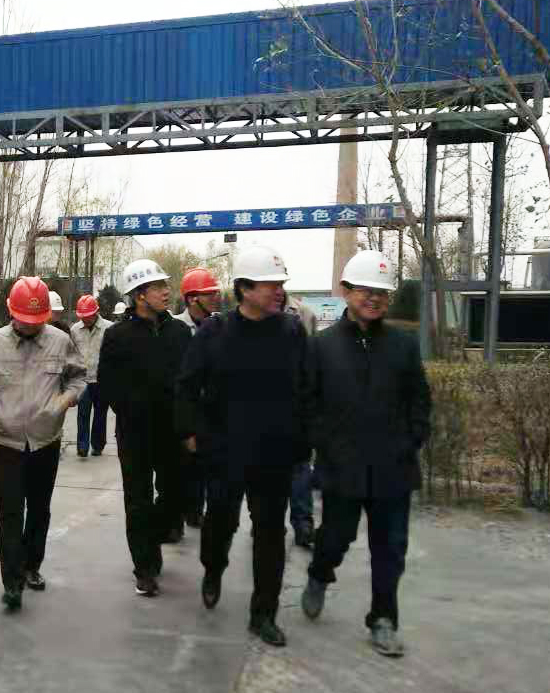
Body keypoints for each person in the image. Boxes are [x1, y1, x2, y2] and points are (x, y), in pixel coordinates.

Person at [175, 244, 307, 647]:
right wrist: (191, 433)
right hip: (224, 451)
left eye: (281, 284)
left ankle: (263, 613)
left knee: (270, 533)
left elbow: (307, 390)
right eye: (270, 285)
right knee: (220, 523)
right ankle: (212, 569)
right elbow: (187, 386)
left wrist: (302, 440)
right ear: (245, 288)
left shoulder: (291, 332)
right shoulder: (215, 332)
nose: (279, 291)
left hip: (274, 454)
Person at [301, 250, 431, 658]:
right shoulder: (322, 347)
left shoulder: (403, 346)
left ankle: (383, 619)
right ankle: (320, 574)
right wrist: (325, 445)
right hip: (342, 467)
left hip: (393, 468)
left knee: (391, 548)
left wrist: (411, 440)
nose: (374, 298)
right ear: (346, 291)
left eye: (381, 292)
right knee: (335, 538)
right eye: (365, 290)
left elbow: (419, 400)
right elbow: (308, 405)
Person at [0, 277, 86, 611]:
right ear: (11, 312)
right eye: (25, 320)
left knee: (39, 509)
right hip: (7, 442)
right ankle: (12, 582)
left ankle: (31, 565)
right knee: (10, 512)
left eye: (37, 321)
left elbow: (78, 377)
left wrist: (63, 402)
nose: (31, 326)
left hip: (45, 440)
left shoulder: (60, 341)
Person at [97, 259, 192, 597]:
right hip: (135, 434)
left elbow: (189, 381)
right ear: (139, 295)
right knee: (137, 501)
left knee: (176, 495)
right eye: (158, 287)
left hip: (172, 433)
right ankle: (145, 568)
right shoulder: (117, 336)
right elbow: (107, 384)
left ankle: (153, 537)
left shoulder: (179, 333)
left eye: (166, 285)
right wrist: (130, 410)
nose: (167, 291)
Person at [173, 267, 223, 529]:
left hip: (210, 411)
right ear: (192, 299)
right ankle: (176, 515)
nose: (216, 297)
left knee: (205, 465)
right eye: (209, 294)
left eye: (215, 292)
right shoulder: (175, 328)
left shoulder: (219, 328)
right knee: (179, 466)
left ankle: (195, 510)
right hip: (183, 408)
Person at [282, 288, 320, 549]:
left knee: (300, 468)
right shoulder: (256, 313)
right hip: (265, 408)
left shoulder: (304, 314)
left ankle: (303, 523)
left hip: (298, 406)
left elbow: (313, 360)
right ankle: (265, 521)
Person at [68, 294, 112, 458]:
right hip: (83, 380)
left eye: (88, 316)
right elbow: (71, 354)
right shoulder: (75, 330)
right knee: (83, 413)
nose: (85, 319)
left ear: (96, 313)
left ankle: (98, 445)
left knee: (100, 414)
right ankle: (82, 446)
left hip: (102, 380)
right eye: (82, 317)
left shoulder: (109, 329)